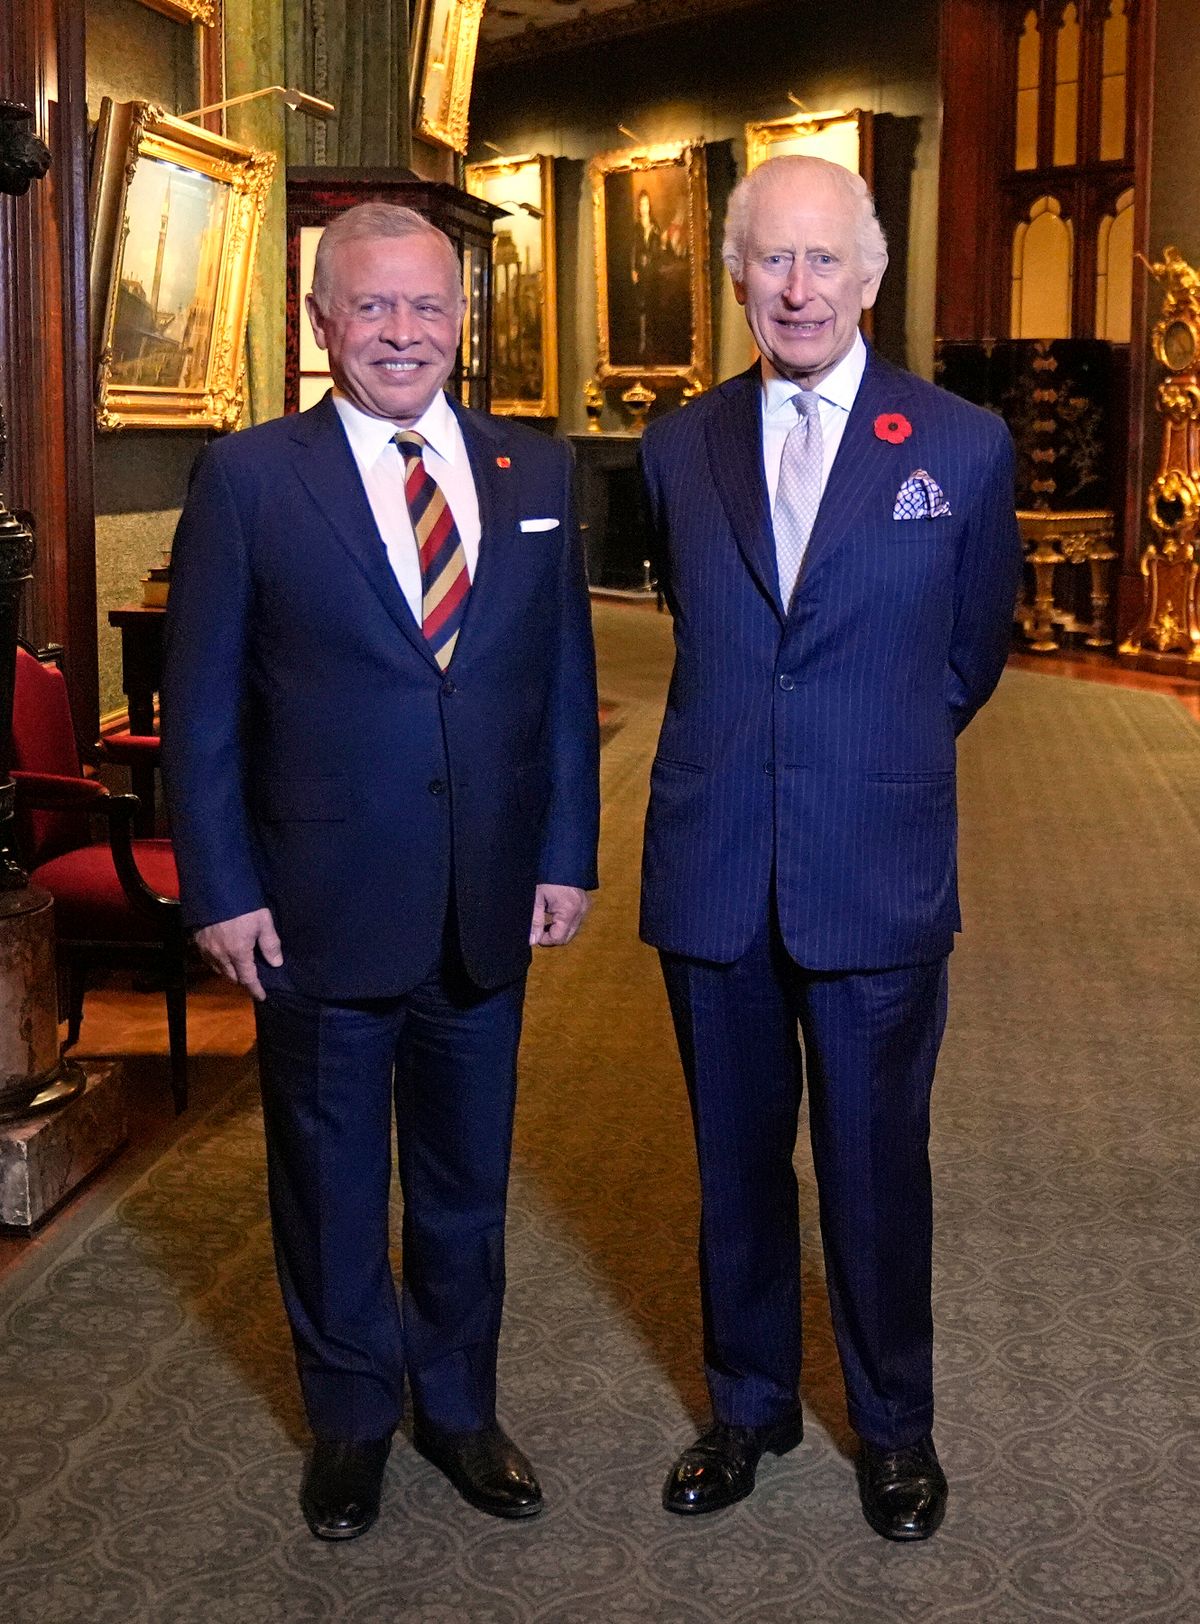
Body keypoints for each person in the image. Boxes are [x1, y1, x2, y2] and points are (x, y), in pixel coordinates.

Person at [161, 203, 600, 1542]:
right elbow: (207, 709)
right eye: (372, 308)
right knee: (332, 1176)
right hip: (314, 909)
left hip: (484, 903)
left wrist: (566, 854)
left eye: (428, 308)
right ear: (320, 324)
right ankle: (353, 1421)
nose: (402, 334)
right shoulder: (249, 479)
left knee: (468, 1181)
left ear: (463, 320)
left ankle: (459, 1411)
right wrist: (222, 887)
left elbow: (563, 688)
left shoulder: (537, 471)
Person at [638, 155, 1020, 1540]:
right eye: (769, 260)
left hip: (874, 870)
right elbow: (702, 624)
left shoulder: (963, 446)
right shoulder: (676, 449)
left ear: (869, 278)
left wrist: (869, 756)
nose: (796, 289)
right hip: (715, 867)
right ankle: (745, 1408)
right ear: (735, 275)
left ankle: (896, 1429)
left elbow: (974, 651)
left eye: (823, 263)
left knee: (873, 1165)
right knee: (733, 1166)